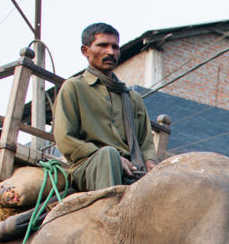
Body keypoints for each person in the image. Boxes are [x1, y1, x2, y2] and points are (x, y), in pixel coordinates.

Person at [54, 23, 157, 192]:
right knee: (108, 155)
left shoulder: (133, 98)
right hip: (88, 167)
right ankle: (108, 214)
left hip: (132, 169)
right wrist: (114, 158)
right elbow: (65, 139)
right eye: (103, 45)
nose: (111, 52)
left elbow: (145, 144)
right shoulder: (73, 87)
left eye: (115, 47)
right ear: (85, 51)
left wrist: (151, 164)